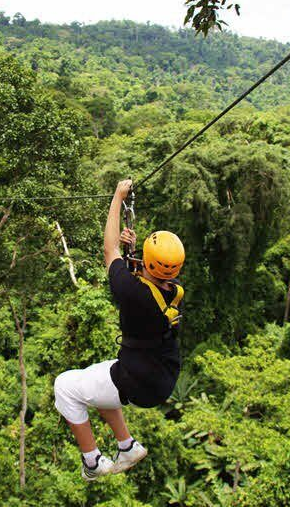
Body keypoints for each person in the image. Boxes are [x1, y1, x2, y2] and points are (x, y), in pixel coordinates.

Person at [54, 179, 185, 481]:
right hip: (161, 375)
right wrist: (134, 249)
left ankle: (92, 462)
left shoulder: (131, 291)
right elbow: (145, 272)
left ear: (148, 264)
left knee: (64, 386)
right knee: (100, 378)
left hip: (137, 380)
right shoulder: (174, 289)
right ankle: (127, 446)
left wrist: (118, 196)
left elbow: (109, 249)